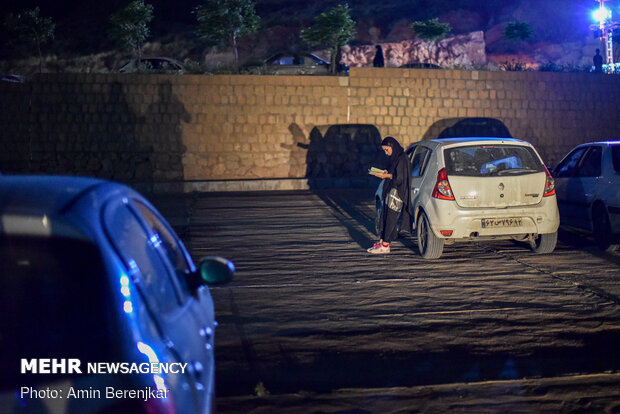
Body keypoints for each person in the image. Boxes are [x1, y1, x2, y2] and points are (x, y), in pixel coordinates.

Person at [368, 136, 413, 254]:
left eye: (387, 150)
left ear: (392, 147)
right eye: (384, 151)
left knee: (391, 219)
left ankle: (386, 245)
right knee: (385, 216)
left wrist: (386, 176)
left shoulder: (402, 158)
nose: (386, 153)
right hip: (390, 192)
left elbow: (400, 178)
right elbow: (394, 172)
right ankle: (382, 242)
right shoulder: (395, 158)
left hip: (397, 194)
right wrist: (386, 173)